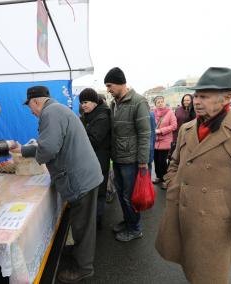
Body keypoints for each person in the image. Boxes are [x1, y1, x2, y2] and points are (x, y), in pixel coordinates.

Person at [155, 67, 231, 283]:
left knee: (208, 275)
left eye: (204, 96)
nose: (197, 101)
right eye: (197, 95)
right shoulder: (187, 128)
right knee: (188, 265)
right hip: (181, 210)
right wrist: (173, 183)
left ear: (227, 97)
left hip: (214, 223)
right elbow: (176, 161)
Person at [12, 86, 103, 283]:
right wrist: (24, 150)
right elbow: (50, 143)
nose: (32, 112)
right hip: (85, 175)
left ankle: (84, 267)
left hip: (80, 179)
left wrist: (35, 156)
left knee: (82, 225)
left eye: (30, 108)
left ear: (36, 101)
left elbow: (49, 148)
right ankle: (80, 253)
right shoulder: (57, 109)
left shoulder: (50, 113)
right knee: (82, 222)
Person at [104, 67, 151, 242]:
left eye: (109, 85)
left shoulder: (139, 102)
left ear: (120, 83)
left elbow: (145, 134)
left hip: (131, 160)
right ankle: (128, 221)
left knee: (129, 196)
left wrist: (143, 162)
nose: (108, 89)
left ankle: (135, 228)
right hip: (117, 157)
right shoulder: (114, 102)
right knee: (122, 194)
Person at [79, 88, 111, 230]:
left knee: (99, 193)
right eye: (81, 103)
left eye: (85, 102)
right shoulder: (90, 115)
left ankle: (97, 223)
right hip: (94, 159)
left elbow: (93, 140)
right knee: (94, 192)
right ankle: (93, 220)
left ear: (94, 102)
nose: (83, 105)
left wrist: (79, 134)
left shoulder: (102, 117)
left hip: (100, 160)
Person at [152, 96, 177, 189]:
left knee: (162, 162)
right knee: (156, 161)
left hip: (165, 141)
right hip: (155, 141)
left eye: (162, 102)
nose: (160, 103)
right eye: (158, 102)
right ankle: (159, 176)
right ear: (155, 104)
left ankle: (166, 180)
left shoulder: (170, 113)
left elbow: (174, 126)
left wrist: (161, 130)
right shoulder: (153, 113)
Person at [170, 94, 196, 158]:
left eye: (188, 100)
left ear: (192, 100)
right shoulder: (178, 109)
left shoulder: (194, 110)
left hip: (189, 135)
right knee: (175, 154)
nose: (185, 102)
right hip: (177, 134)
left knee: (185, 154)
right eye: (184, 100)